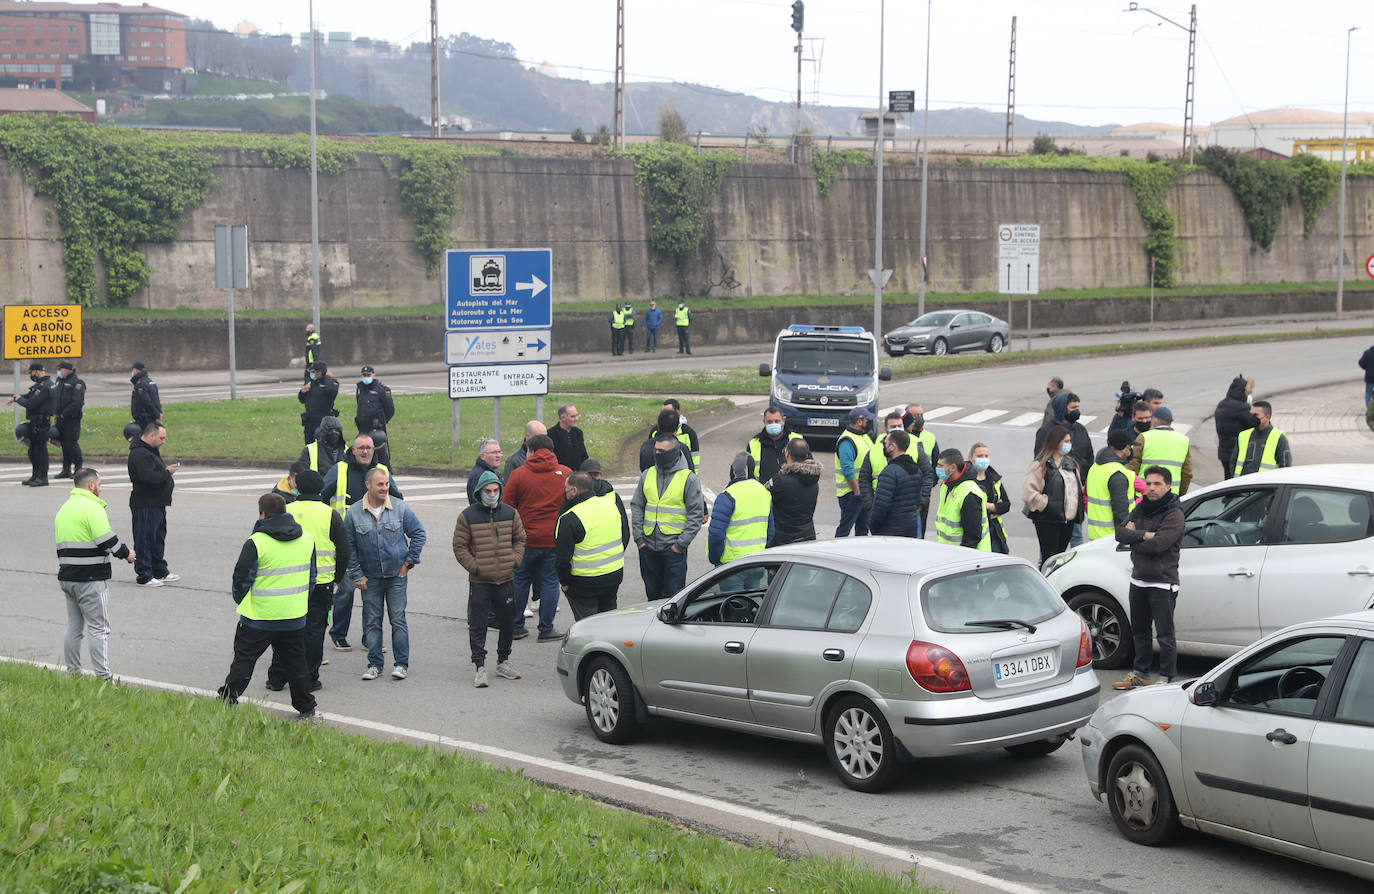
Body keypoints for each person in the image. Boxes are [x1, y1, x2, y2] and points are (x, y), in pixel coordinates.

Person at [217, 493, 319, 721]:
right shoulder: (307, 539)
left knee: (244, 660)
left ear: (262, 515)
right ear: (286, 512)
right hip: (294, 615)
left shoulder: (256, 542)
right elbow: (312, 577)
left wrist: (241, 600)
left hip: (259, 616)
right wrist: (300, 601)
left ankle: (228, 698)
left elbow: (241, 579)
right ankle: (306, 706)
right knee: (296, 662)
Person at [266, 469, 348, 694]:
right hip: (322, 582)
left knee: (285, 630)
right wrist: (336, 579)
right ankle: (309, 678)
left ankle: (277, 677)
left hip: (289, 581)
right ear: (321, 488)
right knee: (314, 633)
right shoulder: (330, 514)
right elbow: (344, 550)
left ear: (297, 488)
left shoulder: (287, 510)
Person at [322, 434, 402, 650]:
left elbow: (397, 498)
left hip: (375, 542)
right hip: (346, 541)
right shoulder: (339, 470)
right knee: (346, 590)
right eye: (361, 448)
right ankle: (338, 633)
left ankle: (370, 637)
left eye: (369, 448)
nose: (366, 452)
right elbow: (322, 496)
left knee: (372, 593)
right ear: (353, 450)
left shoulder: (381, 471)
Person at [346, 467, 426, 682]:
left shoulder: (399, 508)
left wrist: (409, 563)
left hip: (396, 577)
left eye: (387, 484)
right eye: (380, 484)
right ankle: (374, 664)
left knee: (398, 619)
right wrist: (357, 574)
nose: (384, 488)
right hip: (369, 578)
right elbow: (348, 547)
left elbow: (418, 533)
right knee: (372, 621)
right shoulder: (353, 513)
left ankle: (401, 664)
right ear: (368, 485)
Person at [54, 468, 134, 680]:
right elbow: (107, 540)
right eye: (99, 483)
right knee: (99, 630)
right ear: (91, 485)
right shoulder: (92, 507)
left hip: (68, 576)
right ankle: (104, 679)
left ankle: (73, 675)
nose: (101, 487)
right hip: (90, 578)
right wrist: (127, 554)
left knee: (74, 628)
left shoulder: (65, 508)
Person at [1113, 466, 1186, 689]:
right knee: (1140, 631)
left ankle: (1166, 679)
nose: (1151, 488)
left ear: (1168, 486)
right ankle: (1140, 674)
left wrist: (1134, 538)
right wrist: (1144, 534)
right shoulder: (1141, 507)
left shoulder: (1174, 514)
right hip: (1138, 580)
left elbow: (1159, 545)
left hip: (1162, 582)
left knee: (1164, 635)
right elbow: (1120, 533)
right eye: (1149, 483)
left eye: (1157, 484)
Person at [454, 470, 527, 688]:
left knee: (507, 623)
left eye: (495, 490)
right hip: (480, 582)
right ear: (480, 492)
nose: (492, 494)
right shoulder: (467, 516)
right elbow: (460, 546)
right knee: (478, 625)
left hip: (505, 579)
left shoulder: (511, 513)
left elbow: (520, 539)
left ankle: (503, 661)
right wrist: (475, 566)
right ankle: (480, 666)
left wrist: (514, 560)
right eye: (488, 491)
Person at [502, 434, 569, 642]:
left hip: (525, 539)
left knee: (520, 581)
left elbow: (507, 505)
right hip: (554, 539)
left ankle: (516, 626)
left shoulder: (519, 475)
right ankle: (546, 629)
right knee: (550, 582)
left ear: (530, 451)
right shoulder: (565, 474)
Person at [632, 433, 705, 599]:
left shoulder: (688, 478)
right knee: (652, 597)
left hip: (673, 550)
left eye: (661, 451)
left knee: (673, 599)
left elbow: (696, 514)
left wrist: (680, 545)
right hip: (648, 548)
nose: (656, 454)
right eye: (655, 450)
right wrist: (639, 540)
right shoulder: (647, 474)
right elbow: (637, 505)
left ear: (673, 452)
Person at [556, 471, 630, 619]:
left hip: (584, 582)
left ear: (574, 491)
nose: (565, 493)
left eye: (566, 490)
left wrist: (564, 583)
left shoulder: (569, 517)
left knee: (587, 626)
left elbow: (562, 559)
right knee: (607, 620)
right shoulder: (610, 505)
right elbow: (624, 534)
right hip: (613, 576)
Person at [127, 422, 179, 587]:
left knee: (157, 538)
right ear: (151, 436)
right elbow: (148, 477)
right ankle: (144, 574)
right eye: (161, 438)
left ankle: (159, 570)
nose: (163, 441)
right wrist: (166, 472)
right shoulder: (140, 454)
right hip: (145, 503)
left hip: (157, 502)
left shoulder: (150, 451)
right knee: (145, 539)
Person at [1022, 425, 1082, 564]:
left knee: (1059, 557)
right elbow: (1028, 493)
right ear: (1055, 442)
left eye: (1069, 441)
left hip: (1068, 519)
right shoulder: (1041, 464)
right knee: (1049, 558)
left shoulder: (1071, 464)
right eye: (1065, 441)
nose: (1069, 444)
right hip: (1047, 519)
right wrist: (1046, 504)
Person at [860, 411, 932, 521]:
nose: (897, 429)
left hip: (909, 510)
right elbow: (864, 478)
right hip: (882, 510)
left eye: (900, 426)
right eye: (893, 426)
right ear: (886, 429)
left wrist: (922, 502)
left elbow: (927, 475)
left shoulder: (914, 445)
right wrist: (870, 505)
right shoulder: (875, 449)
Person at [708, 453, 774, 565]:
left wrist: (715, 559)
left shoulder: (727, 495)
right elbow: (770, 532)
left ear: (733, 470)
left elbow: (716, 535)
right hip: (757, 561)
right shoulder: (764, 493)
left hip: (731, 564)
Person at [869, 430, 926, 538]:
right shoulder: (916, 470)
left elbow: (881, 506)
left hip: (890, 531)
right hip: (910, 529)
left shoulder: (890, 472)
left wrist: (873, 526)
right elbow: (918, 502)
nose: (884, 447)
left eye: (886, 443)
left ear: (892, 446)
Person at [767, 438, 821, 546]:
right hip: (807, 536)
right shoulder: (813, 479)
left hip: (782, 538)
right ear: (806, 456)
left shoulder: (780, 480)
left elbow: (764, 497)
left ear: (787, 454)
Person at [1085, 430, 1137, 542]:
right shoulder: (1117, 473)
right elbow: (1120, 511)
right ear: (1126, 449)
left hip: (1097, 535)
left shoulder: (1095, 467)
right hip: (1112, 538)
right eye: (1130, 447)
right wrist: (1126, 536)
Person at [934, 448, 990, 550]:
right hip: (947, 553)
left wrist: (961, 558)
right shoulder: (946, 486)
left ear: (953, 467)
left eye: (940, 465)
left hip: (966, 559)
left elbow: (972, 537)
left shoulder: (969, 493)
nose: (937, 468)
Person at [8, 361, 53, 486]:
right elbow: (27, 397)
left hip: (42, 422)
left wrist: (19, 400)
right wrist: (17, 398)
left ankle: (43, 477)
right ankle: (35, 475)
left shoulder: (45, 386)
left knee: (40, 450)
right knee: (33, 450)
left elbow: (31, 403)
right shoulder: (39, 385)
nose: (31, 375)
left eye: (32, 372)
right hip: (35, 422)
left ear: (37, 372)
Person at [1129, 407, 1191, 495]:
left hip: (1145, 493)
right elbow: (1187, 473)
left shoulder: (1144, 437)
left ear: (1154, 420)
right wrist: (1181, 494)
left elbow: (1132, 466)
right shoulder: (1184, 440)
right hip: (1171, 494)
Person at [835, 407, 875, 537]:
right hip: (851, 494)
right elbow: (848, 470)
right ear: (859, 421)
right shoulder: (847, 441)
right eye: (867, 420)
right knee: (844, 530)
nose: (869, 422)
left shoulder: (864, 437)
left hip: (864, 493)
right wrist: (857, 491)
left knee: (863, 530)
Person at [969, 442, 1011, 554]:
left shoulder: (993, 479)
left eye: (986, 456)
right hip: (976, 532)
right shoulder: (967, 480)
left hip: (994, 531)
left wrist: (991, 506)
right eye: (979, 456)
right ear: (971, 458)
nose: (983, 459)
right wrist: (993, 507)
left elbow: (1006, 505)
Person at [904, 404, 939, 534]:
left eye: (921, 415)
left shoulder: (930, 437)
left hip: (923, 488)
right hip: (907, 487)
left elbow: (936, 462)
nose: (919, 418)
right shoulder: (902, 437)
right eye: (915, 415)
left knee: (921, 525)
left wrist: (931, 483)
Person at [1213, 375, 1257, 480]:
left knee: (1228, 479)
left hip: (1224, 452)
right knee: (1239, 482)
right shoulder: (1241, 407)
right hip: (1238, 453)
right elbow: (1255, 422)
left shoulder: (1222, 404)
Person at [1232, 400, 1291, 477]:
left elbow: (1285, 467)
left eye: (1256, 415)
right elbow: (1233, 462)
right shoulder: (1243, 435)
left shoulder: (1279, 437)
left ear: (1267, 417)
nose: (1252, 417)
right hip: (1243, 485)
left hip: (1265, 487)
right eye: (1251, 414)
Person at [51, 360, 85, 479]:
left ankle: (78, 469)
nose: (59, 371)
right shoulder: (59, 381)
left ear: (66, 370)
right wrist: (54, 412)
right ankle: (66, 469)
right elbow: (55, 398)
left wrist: (64, 413)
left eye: (60, 369)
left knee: (72, 443)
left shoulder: (77, 383)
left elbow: (77, 402)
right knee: (64, 445)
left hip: (71, 419)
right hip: (59, 419)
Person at [354, 365, 395, 463]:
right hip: (362, 425)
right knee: (362, 450)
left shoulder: (381, 389)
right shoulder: (360, 389)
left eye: (368, 375)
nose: (366, 377)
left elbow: (390, 409)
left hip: (376, 426)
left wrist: (383, 421)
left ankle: (386, 471)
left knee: (379, 450)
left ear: (374, 375)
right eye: (364, 375)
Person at [746, 406, 792, 484]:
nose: (773, 424)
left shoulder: (796, 440)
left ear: (783, 421)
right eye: (770, 422)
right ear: (764, 422)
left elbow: (808, 470)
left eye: (777, 421)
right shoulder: (753, 444)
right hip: (762, 493)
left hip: (790, 493)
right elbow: (747, 474)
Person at [640, 408, 696, 472]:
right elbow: (690, 474)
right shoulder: (681, 448)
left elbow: (643, 469)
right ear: (678, 427)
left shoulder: (646, 446)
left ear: (658, 425)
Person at [298, 361, 339, 445]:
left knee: (323, 442)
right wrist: (302, 392)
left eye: (314, 372)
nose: (312, 374)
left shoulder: (331, 382)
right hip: (310, 419)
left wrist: (328, 378)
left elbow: (331, 392)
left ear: (320, 373)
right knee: (309, 443)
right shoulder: (310, 382)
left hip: (323, 419)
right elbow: (302, 400)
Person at [658, 398, 701, 468]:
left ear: (677, 412)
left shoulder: (689, 432)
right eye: (663, 411)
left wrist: (693, 477)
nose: (664, 414)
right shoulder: (655, 431)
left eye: (668, 411)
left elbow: (695, 457)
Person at [549, 404, 589, 472]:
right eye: (572, 416)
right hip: (560, 474)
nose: (576, 419)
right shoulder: (551, 434)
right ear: (563, 417)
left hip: (577, 475)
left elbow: (583, 455)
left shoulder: (578, 433)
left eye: (577, 415)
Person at [467, 438, 504, 504]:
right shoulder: (478, 476)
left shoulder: (495, 473)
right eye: (494, 453)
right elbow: (477, 505)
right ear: (482, 456)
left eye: (499, 452)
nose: (498, 456)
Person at [129, 361, 162, 429]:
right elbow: (156, 400)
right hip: (152, 416)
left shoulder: (140, 384)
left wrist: (156, 414)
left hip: (144, 417)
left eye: (133, 370)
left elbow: (146, 401)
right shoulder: (151, 382)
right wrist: (159, 413)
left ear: (136, 370)